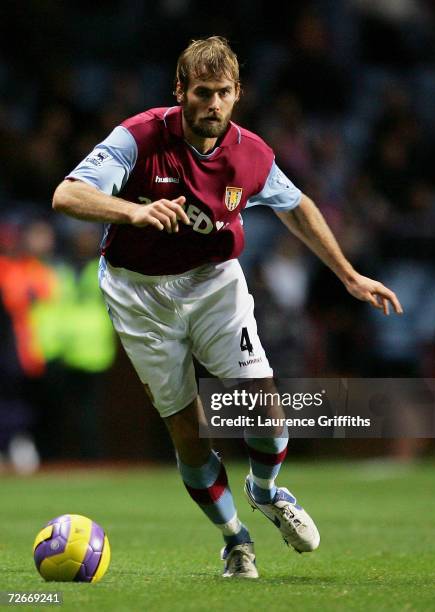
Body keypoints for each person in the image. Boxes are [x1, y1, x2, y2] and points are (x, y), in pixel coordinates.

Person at [52, 36, 403, 578]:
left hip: (214, 284)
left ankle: (265, 492)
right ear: (180, 92)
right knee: (190, 437)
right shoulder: (139, 137)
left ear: (237, 94)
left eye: (222, 93)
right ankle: (235, 539)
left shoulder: (252, 154)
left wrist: (349, 275)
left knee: (264, 409)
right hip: (138, 293)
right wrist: (131, 212)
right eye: (201, 92)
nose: (212, 104)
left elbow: (298, 206)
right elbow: (67, 195)